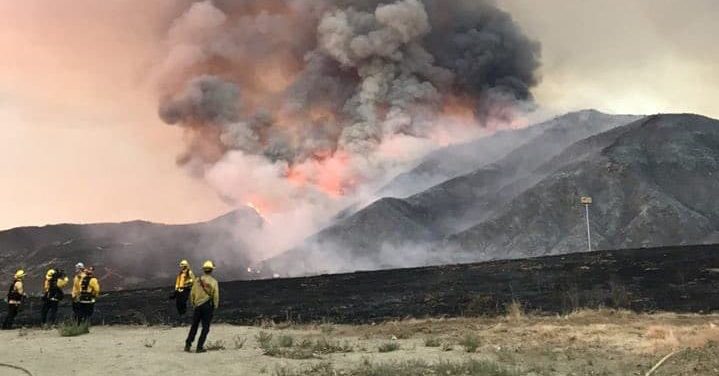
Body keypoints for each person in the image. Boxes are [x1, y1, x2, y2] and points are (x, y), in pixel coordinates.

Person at [185, 260, 219, 353]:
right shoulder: (214, 282)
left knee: (194, 326)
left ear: (204, 270)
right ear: (211, 270)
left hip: (197, 306)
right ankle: (199, 347)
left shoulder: (197, 281)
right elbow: (215, 296)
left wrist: (193, 304)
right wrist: (215, 305)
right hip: (208, 306)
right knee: (205, 327)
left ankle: (188, 345)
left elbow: (192, 293)